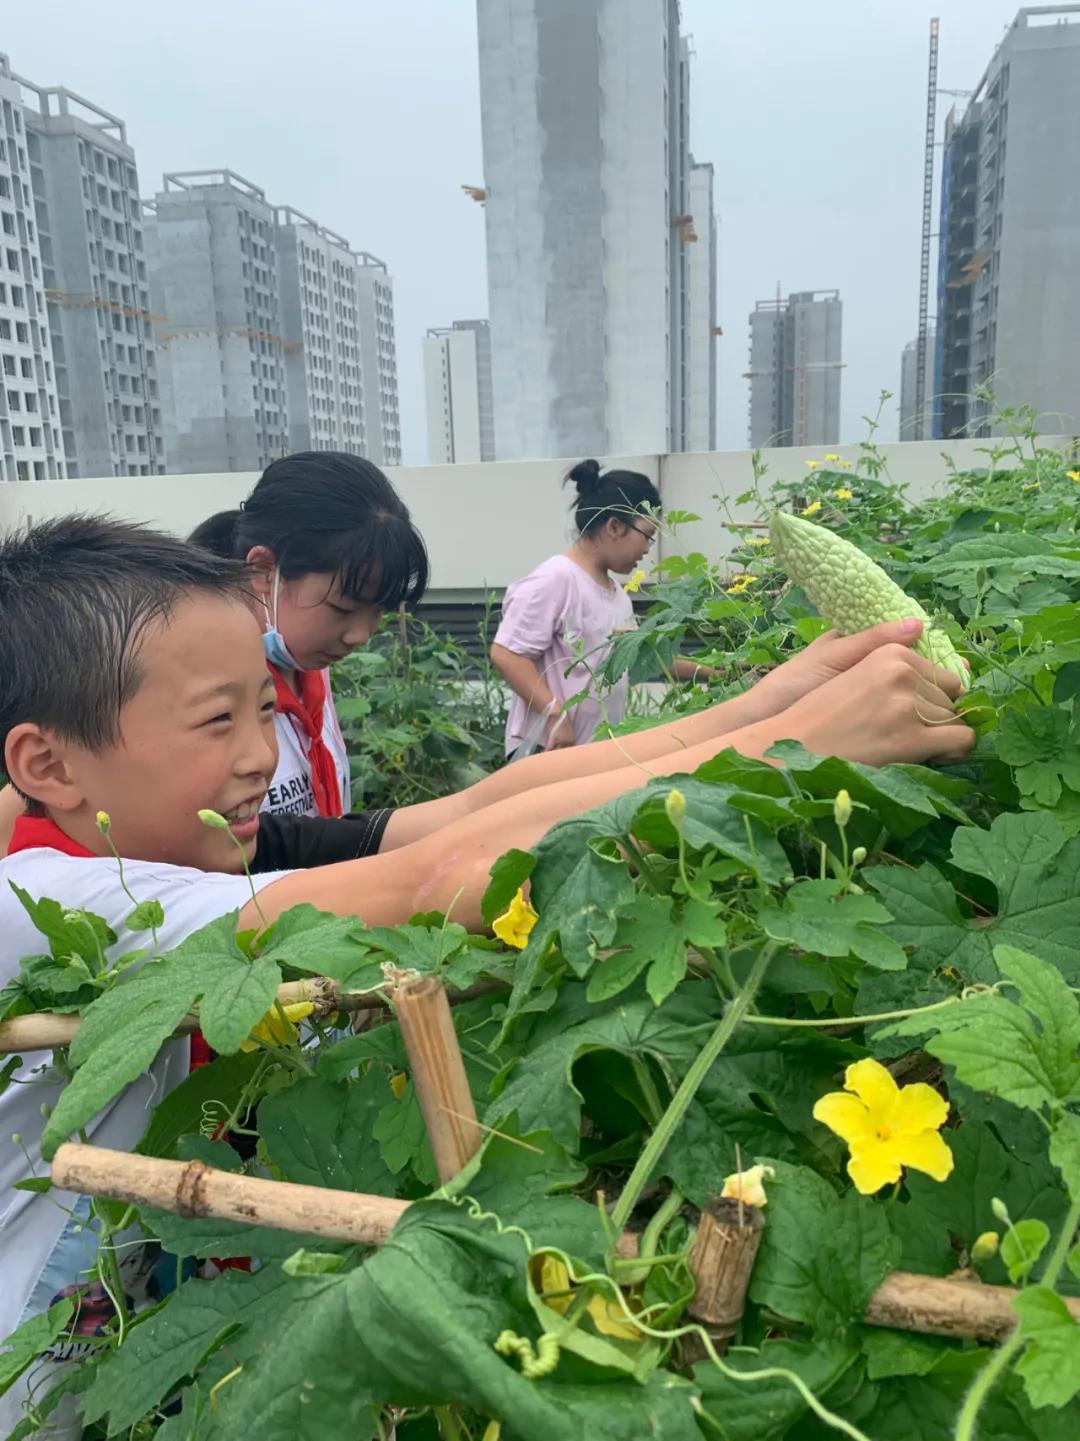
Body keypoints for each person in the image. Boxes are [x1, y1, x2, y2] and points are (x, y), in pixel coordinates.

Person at [0, 515, 973, 1425]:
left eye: (265, 710)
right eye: (218, 721)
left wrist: (769, 707)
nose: (261, 754)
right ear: (49, 764)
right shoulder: (51, 902)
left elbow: (478, 809)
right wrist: (790, 753)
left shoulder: (176, 848)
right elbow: (440, 878)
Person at [189, 450, 429, 820]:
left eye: (378, 611)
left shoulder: (309, 668)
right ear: (265, 570)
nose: (360, 635)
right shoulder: (200, 691)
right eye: (343, 608)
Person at [491, 459, 711, 760]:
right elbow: (506, 654)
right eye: (647, 535)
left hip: (592, 753)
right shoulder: (555, 580)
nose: (647, 549)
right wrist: (556, 714)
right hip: (548, 750)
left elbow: (646, 659)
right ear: (614, 526)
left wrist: (719, 671)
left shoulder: (618, 596)